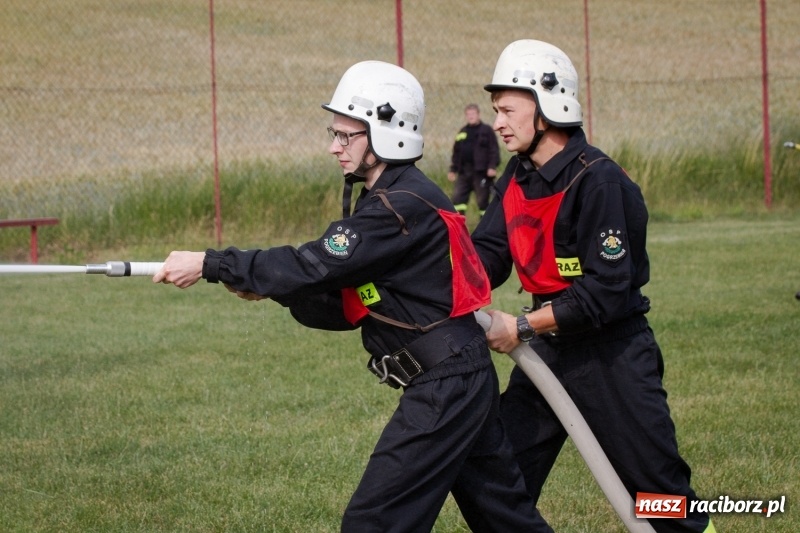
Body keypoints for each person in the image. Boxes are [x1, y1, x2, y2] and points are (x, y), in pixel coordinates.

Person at [153, 60, 552, 533]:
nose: (333, 147)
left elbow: (315, 262)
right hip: (458, 378)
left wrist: (211, 263)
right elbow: (345, 298)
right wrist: (276, 289)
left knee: (374, 522)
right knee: (506, 519)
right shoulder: (392, 199)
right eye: (334, 133)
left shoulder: (397, 207)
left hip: (446, 386)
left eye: (346, 136)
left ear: (387, 132)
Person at [471, 40, 716, 533]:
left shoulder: (598, 182)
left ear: (547, 106)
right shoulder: (518, 178)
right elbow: (489, 256)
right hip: (549, 351)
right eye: (496, 110)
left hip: (610, 355)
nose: (498, 122)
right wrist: (434, 271)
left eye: (507, 110)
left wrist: (521, 326)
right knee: (497, 477)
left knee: (658, 496)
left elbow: (605, 292)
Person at [447, 103, 500, 217]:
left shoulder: (486, 130)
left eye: (473, 114)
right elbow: (456, 153)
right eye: (468, 114)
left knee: (482, 201)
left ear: (478, 114)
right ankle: (459, 228)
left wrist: (492, 166)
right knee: (457, 199)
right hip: (464, 172)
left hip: (481, 172)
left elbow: (494, 150)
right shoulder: (462, 132)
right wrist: (452, 170)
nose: (471, 116)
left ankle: (484, 229)